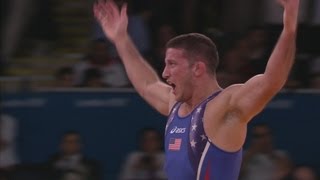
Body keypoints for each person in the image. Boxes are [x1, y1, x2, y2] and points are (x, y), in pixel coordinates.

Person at [93, 0, 300, 179]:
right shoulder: (175, 104)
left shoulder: (225, 107)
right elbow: (147, 85)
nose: (165, 73)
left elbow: (271, 81)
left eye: (172, 64)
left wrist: (289, 28)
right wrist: (121, 40)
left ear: (198, 68)